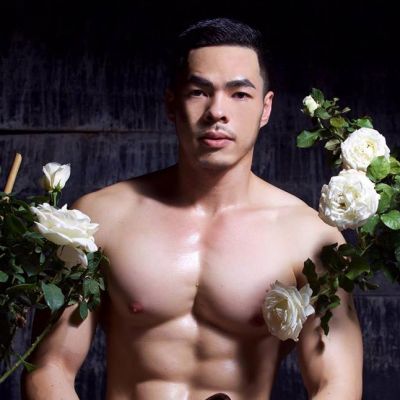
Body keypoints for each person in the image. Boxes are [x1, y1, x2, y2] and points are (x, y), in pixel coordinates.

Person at [23, 18, 363, 400]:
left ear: (266, 108)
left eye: (239, 94)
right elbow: (49, 367)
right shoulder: (100, 219)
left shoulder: (310, 238)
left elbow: (337, 384)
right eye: (199, 91)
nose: (217, 111)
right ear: (172, 103)